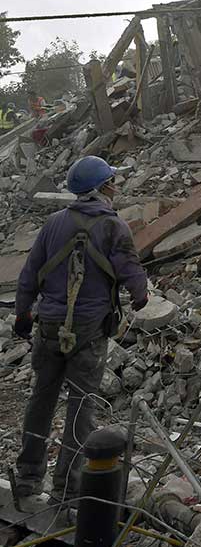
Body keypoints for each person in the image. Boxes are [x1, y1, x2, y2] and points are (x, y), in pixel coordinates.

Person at [13, 156, 149, 501]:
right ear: (103, 188)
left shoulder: (53, 223)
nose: (115, 188)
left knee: (41, 400)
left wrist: (22, 314)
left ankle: (29, 476)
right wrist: (139, 295)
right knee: (81, 407)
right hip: (88, 332)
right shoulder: (114, 226)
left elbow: (30, 273)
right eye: (112, 183)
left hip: (49, 327)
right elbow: (131, 270)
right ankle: (67, 489)